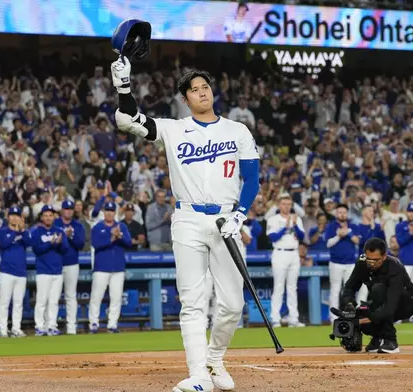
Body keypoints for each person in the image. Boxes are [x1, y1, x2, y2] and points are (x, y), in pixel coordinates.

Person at [112, 55, 260, 392]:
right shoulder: (174, 128)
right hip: (188, 218)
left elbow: (252, 179)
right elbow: (128, 120)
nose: (202, 92)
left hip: (226, 219)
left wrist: (240, 215)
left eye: (205, 86)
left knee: (233, 303)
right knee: (192, 301)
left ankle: (215, 358)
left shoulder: (237, 130)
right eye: (194, 89)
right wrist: (123, 86)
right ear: (185, 99)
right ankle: (198, 375)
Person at [340, 238, 413, 354]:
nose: (371, 263)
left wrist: (371, 318)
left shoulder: (394, 266)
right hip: (380, 300)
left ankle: (391, 340)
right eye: (369, 259)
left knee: (378, 290)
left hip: (404, 302)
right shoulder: (362, 263)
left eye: (376, 260)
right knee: (360, 313)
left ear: (384, 256)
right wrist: (349, 305)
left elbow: (391, 303)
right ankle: (378, 338)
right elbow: (349, 287)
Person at [89, 202, 132, 333]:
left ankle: (112, 324)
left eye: (111, 211)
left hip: (118, 268)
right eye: (107, 210)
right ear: (104, 212)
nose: (109, 213)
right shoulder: (98, 227)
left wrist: (120, 236)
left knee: (116, 297)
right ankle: (94, 323)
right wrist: (111, 238)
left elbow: (129, 243)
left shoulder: (121, 226)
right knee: (97, 297)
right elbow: (96, 244)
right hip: (101, 268)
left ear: (114, 213)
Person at [31, 205, 71, 336]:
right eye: (46, 215)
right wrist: (51, 243)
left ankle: (52, 325)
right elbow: (37, 250)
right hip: (43, 271)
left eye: (50, 215)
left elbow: (65, 249)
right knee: (42, 301)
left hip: (57, 271)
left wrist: (59, 243)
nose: (48, 218)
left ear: (54, 217)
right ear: (42, 217)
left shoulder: (59, 231)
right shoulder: (37, 231)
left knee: (54, 301)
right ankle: (39, 326)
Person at [266, 194, 305, 328]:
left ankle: (293, 318)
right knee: (278, 287)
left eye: (289, 204)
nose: (287, 206)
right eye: (284, 204)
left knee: (292, 287)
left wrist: (294, 225)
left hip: (294, 253)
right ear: (279, 205)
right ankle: (275, 318)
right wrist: (286, 227)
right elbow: (272, 237)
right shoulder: (273, 219)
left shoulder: (296, 219)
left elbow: (302, 236)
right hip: (280, 253)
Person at [0, 206, 31, 337]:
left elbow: (29, 242)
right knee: (4, 302)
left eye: (17, 215)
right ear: (8, 217)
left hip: (21, 272)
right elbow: (3, 244)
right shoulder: (2, 231)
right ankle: (3, 329)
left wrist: (22, 230)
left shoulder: (23, 232)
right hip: (6, 271)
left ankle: (16, 328)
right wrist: (15, 231)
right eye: (12, 215)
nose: (15, 218)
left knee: (18, 303)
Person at [323, 204, 362, 321]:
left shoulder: (353, 225)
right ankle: (333, 317)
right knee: (335, 290)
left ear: (347, 213)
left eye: (344, 212)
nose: (342, 214)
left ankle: (349, 315)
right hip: (336, 263)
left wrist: (348, 233)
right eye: (339, 212)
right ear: (336, 213)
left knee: (349, 291)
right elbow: (328, 243)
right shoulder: (331, 226)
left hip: (350, 263)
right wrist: (339, 236)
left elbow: (358, 241)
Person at [54, 200, 86, 335]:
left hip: (72, 263)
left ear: (73, 211)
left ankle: (71, 326)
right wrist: (62, 237)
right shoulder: (55, 224)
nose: (68, 211)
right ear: (62, 210)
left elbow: (80, 244)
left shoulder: (77, 226)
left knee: (70, 295)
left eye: (70, 209)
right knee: (53, 296)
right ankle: (51, 325)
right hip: (56, 263)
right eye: (66, 208)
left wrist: (70, 236)